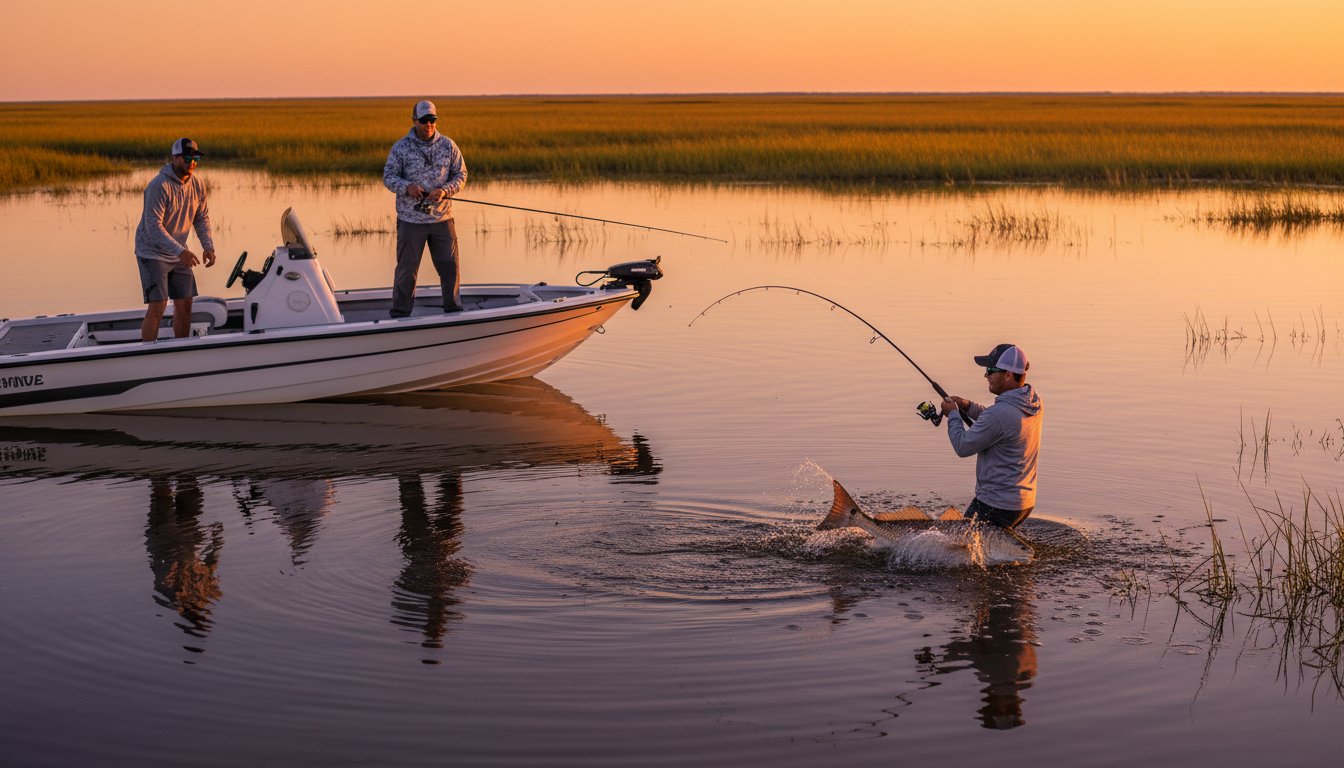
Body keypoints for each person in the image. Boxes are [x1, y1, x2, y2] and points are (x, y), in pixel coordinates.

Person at [939, 343, 1043, 528]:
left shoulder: (1000, 414)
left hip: (996, 505)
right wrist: (967, 405)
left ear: (1008, 374)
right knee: (983, 551)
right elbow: (999, 422)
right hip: (1024, 503)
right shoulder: (1032, 403)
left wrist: (953, 415)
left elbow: (962, 447)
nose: (985, 375)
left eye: (990, 370)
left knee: (958, 548)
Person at [382, 100, 468, 318]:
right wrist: (406, 187)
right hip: (411, 221)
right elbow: (389, 177)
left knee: (449, 266)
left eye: (432, 120)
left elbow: (461, 175)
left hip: (442, 219)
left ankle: (453, 310)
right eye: (424, 120)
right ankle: (400, 314)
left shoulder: (449, 146)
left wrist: (445, 190)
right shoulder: (401, 147)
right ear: (414, 121)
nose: (429, 124)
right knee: (407, 270)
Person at [134, 138, 216, 341]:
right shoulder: (158, 186)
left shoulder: (197, 184)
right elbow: (153, 227)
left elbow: (202, 217)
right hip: (153, 252)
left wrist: (208, 246)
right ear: (175, 158)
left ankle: (181, 349)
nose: (192, 162)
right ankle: (147, 353)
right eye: (187, 158)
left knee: (185, 303)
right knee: (158, 304)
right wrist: (181, 251)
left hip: (179, 251)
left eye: (196, 158)